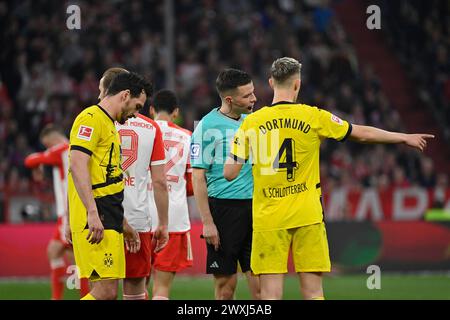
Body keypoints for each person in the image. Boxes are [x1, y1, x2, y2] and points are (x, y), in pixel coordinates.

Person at [224, 57, 435, 300]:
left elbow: (230, 173)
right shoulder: (314, 117)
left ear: (271, 83)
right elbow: (361, 134)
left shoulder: (250, 123)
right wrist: (403, 137)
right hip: (308, 215)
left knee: (270, 294)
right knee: (314, 292)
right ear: (297, 85)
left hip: (269, 217)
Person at [67, 71, 152, 300]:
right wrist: (92, 213)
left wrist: (123, 224)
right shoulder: (91, 119)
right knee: (106, 293)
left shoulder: (109, 125)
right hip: (97, 218)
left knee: (105, 292)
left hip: (109, 217)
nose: (136, 115)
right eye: (137, 106)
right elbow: (77, 164)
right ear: (125, 95)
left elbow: (106, 178)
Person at [98, 67, 169, 300]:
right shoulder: (151, 127)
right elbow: (159, 181)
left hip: (101, 216)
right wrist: (164, 224)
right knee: (136, 291)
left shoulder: (97, 120)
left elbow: (80, 171)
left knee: (101, 290)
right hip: (138, 217)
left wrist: (70, 216)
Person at [191, 68, 260, 300]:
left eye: (253, 93)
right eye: (247, 95)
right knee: (226, 288)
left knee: (261, 288)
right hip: (224, 211)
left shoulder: (254, 121)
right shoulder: (206, 127)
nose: (254, 99)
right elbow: (198, 177)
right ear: (229, 99)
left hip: (256, 209)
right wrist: (207, 223)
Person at [24, 124, 89, 299]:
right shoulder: (71, 151)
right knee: (70, 255)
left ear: (52, 139)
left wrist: (36, 166)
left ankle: (61, 297)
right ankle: (81, 294)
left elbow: (29, 160)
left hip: (69, 212)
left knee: (57, 251)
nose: (48, 148)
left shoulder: (61, 149)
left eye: (47, 145)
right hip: (72, 210)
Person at [147, 89, 194, 300]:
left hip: (139, 217)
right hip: (173, 219)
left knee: (136, 286)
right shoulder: (188, 137)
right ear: (176, 112)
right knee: (162, 289)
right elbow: (194, 184)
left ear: (151, 110)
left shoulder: (141, 132)